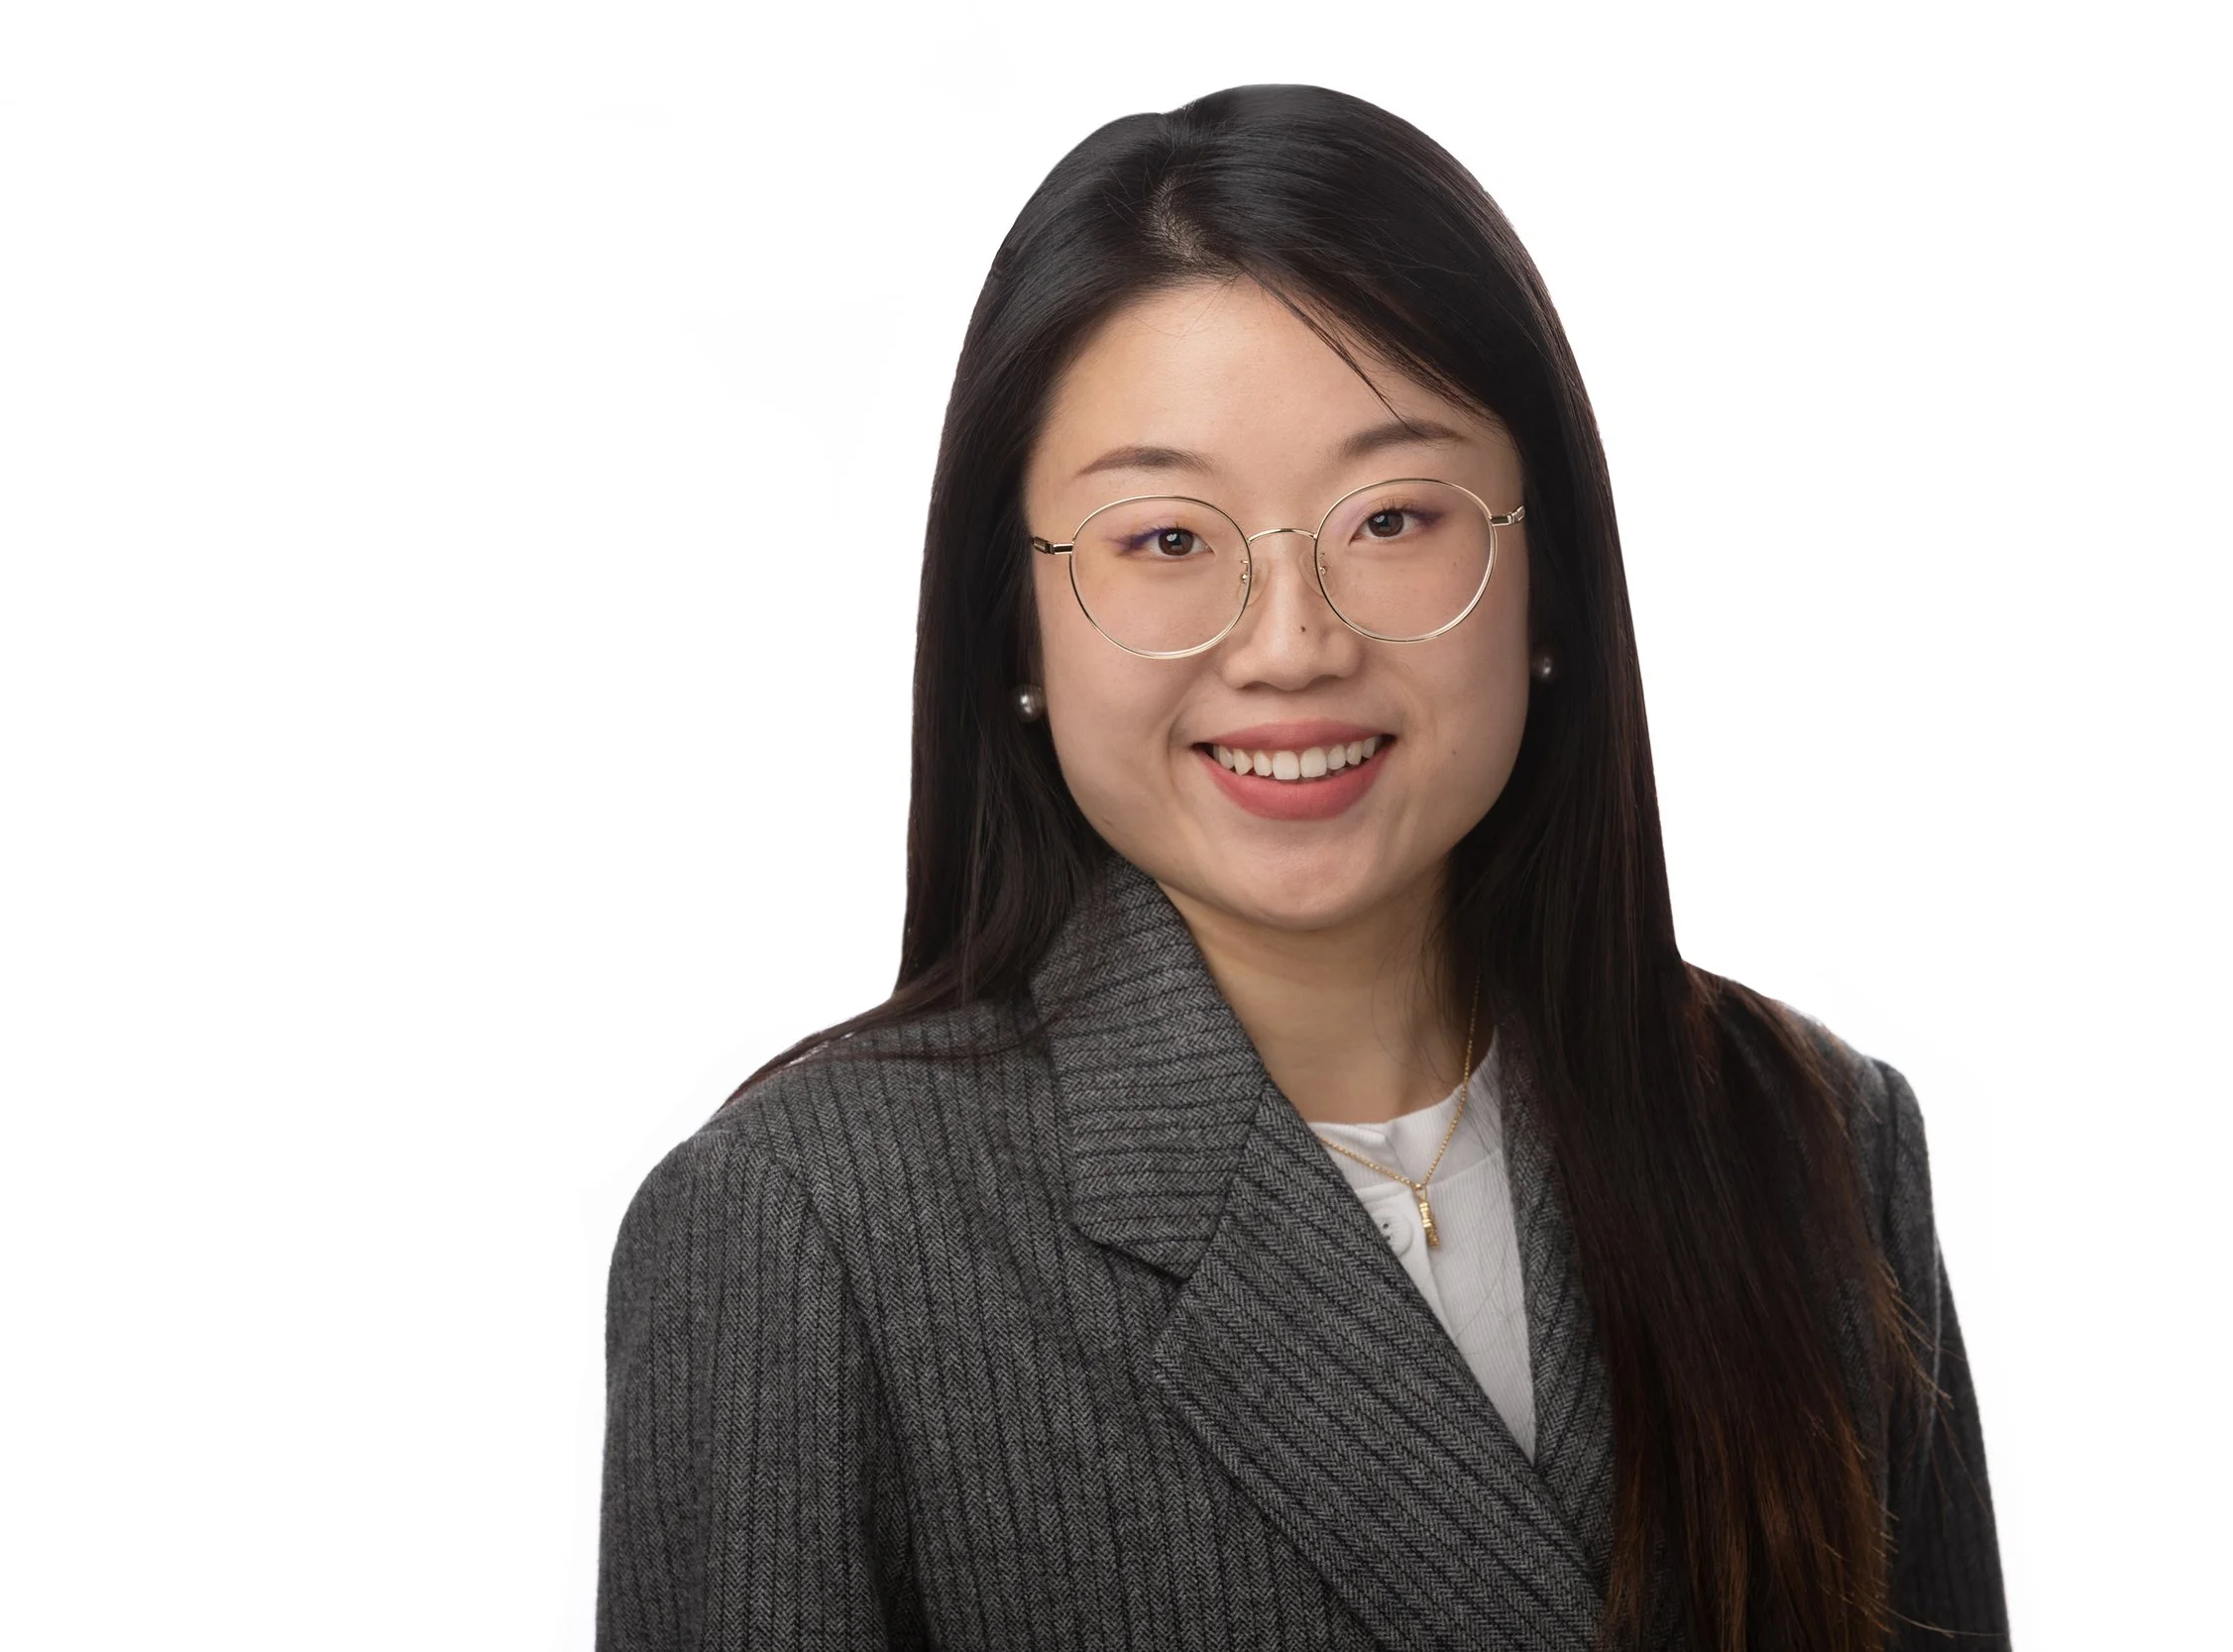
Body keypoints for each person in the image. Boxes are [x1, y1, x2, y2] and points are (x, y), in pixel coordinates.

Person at [596, 83, 2007, 1652]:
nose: (1291, 645)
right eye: (1168, 539)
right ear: (1021, 625)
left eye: (1395, 515)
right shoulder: (805, 1229)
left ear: (1552, 579)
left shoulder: (1808, 1141)